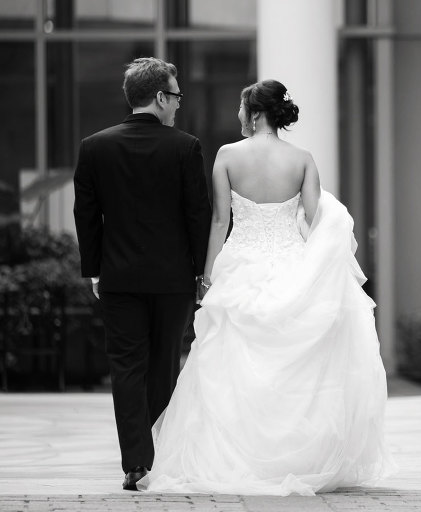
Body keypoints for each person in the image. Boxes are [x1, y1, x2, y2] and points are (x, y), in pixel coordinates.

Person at [137, 79, 396, 495]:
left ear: (254, 113)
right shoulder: (303, 159)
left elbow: (219, 222)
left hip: (240, 267)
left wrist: (206, 279)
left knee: (231, 363)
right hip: (291, 264)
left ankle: (235, 457)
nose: (239, 117)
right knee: (293, 369)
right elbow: (316, 222)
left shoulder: (226, 156)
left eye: (242, 109)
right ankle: (295, 457)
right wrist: (317, 275)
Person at [73, 57, 212, 491]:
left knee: (126, 368)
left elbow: (86, 215)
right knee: (164, 367)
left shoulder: (94, 146)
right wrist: (200, 274)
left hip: (117, 277)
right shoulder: (185, 146)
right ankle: (148, 452)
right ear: (158, 97)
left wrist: (93, 270)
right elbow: (198, 217)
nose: (177, 105)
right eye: (175, 96)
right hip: (172, 280)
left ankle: (136, 461)